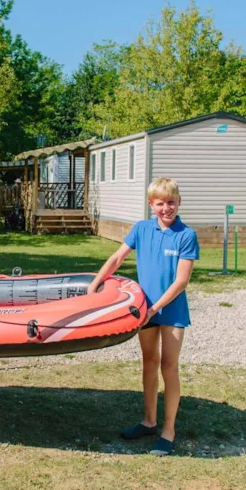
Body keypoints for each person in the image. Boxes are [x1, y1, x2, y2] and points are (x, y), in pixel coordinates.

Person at [88, 177, 199, 456]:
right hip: (144, 307)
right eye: (160, 203)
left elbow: (181, 281)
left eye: (171, 202)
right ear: (152, 205)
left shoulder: (186, 235)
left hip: (170, 310)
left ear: (179, 202)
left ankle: (168, 431)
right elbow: (117, 258)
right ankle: (149, 421)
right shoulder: (141, 229)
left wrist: (154, 308)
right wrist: (95, 284)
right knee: (149, 362)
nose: (166, 208)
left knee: (168, 366)